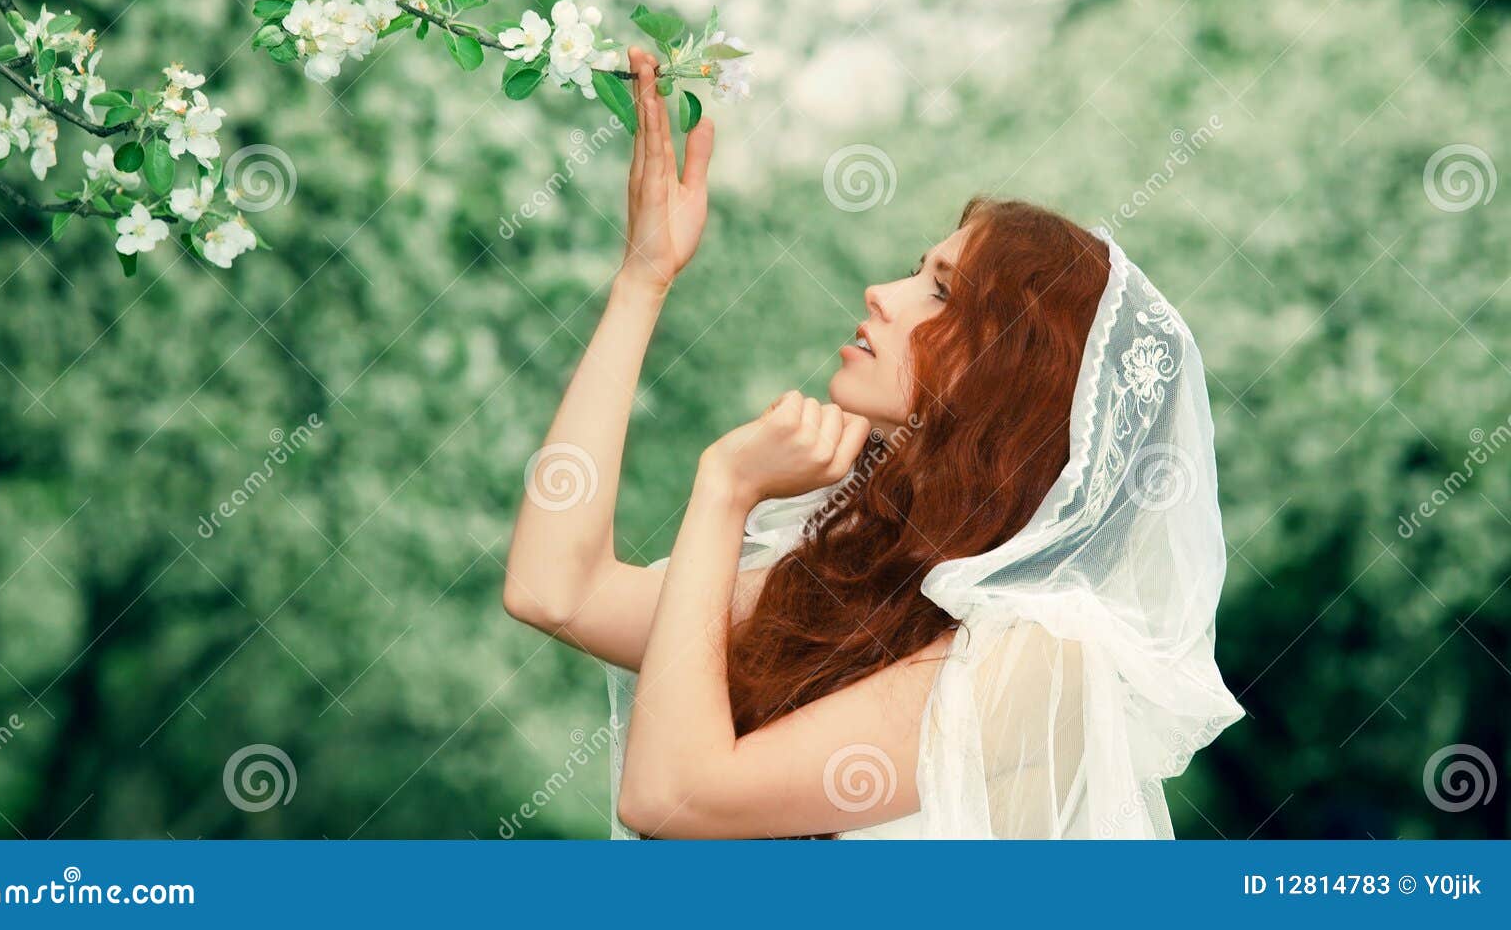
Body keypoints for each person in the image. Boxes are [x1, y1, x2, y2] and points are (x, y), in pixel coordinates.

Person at [503, 47, 1244, 838]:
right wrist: (642, 278)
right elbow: (556, 589)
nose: (881, 294)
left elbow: (673, 798)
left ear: (1013, 379)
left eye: (941, 292)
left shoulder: (1045, 652)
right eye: (915, 272)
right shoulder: (857, 578)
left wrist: (725, 490)